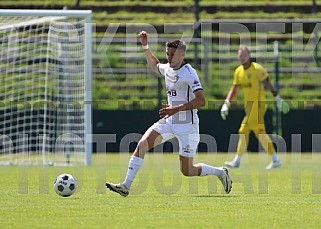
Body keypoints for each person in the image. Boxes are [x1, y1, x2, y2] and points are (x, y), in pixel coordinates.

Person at [106, 31, 232, 197]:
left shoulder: (189, 73)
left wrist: (175, 109)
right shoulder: (167, 68)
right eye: (167, 54)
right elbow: (154, 65)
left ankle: (220, 173)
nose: (170, 57)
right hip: (169, 122)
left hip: (188, 127)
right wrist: (145, 46)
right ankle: (126, 186)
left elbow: (201, 101)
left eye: (173, 54)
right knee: (142, 144)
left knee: (187, 170)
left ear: (182, 54)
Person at [221, 45, 289, 170]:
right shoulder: (239, 71)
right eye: (240, 55)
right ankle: (275, 159)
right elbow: (234, 89)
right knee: (257, 132)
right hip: (249, 107)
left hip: (259, 105)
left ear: (249, 55)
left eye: (244, 55)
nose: (242, 58)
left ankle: (237, 160)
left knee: (244, 130)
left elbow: (268, 84)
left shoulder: (257, 69)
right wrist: (227, 103)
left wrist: (278, 98)